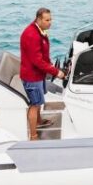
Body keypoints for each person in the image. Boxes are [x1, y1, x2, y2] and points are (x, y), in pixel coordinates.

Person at [20, 7, 66, 141]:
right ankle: (33, 136)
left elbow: (42, 54)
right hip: (32, 77)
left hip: (38, 75)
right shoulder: (32, 35)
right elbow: (37, 61)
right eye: (47, 20)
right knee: (34, 105)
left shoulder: (40, 30)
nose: (50, 22)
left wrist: (50, 66)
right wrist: (56, 72)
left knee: (39, 101)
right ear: (38, 19)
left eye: (50, 19)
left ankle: (39, 122)